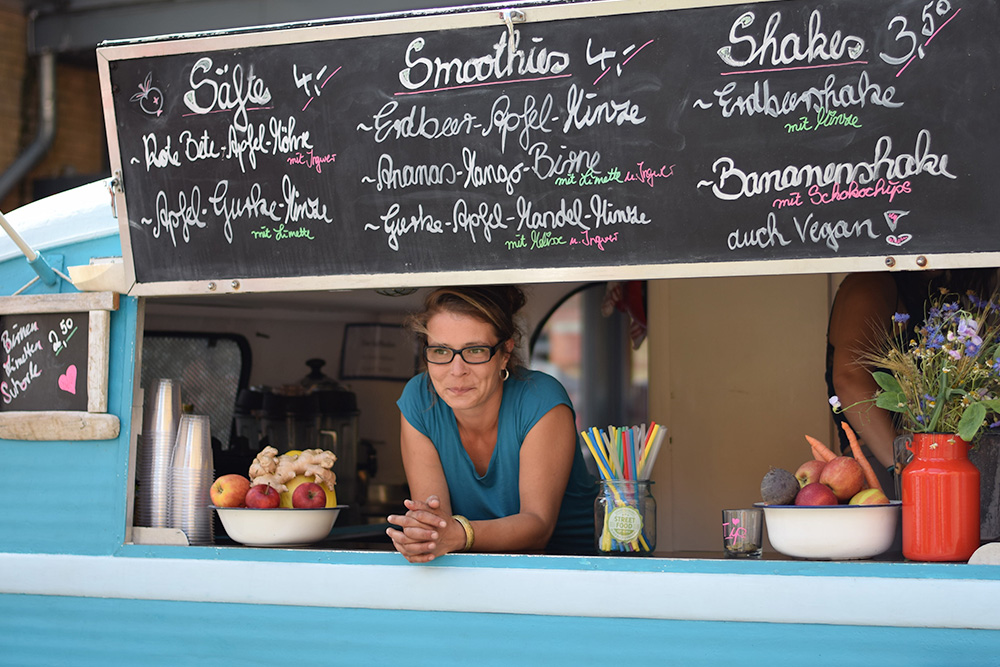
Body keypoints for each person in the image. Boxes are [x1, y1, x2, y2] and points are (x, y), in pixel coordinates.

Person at [387, 285, 598, 561]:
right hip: (474, 567)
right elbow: (437, 524)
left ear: (505, 353)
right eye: (440, 351)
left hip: (573, 568)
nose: (456, 370)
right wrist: (423, 535)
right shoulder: (419, 398)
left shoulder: (540, 399)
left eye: (474, 351)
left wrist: (458, 534)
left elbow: (538, 527)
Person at [826, 269, 996, 496]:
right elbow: (850, 377)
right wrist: (905, 469)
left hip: (932, 462)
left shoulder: (930, 289)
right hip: (883, 465)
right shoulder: (872, 283)